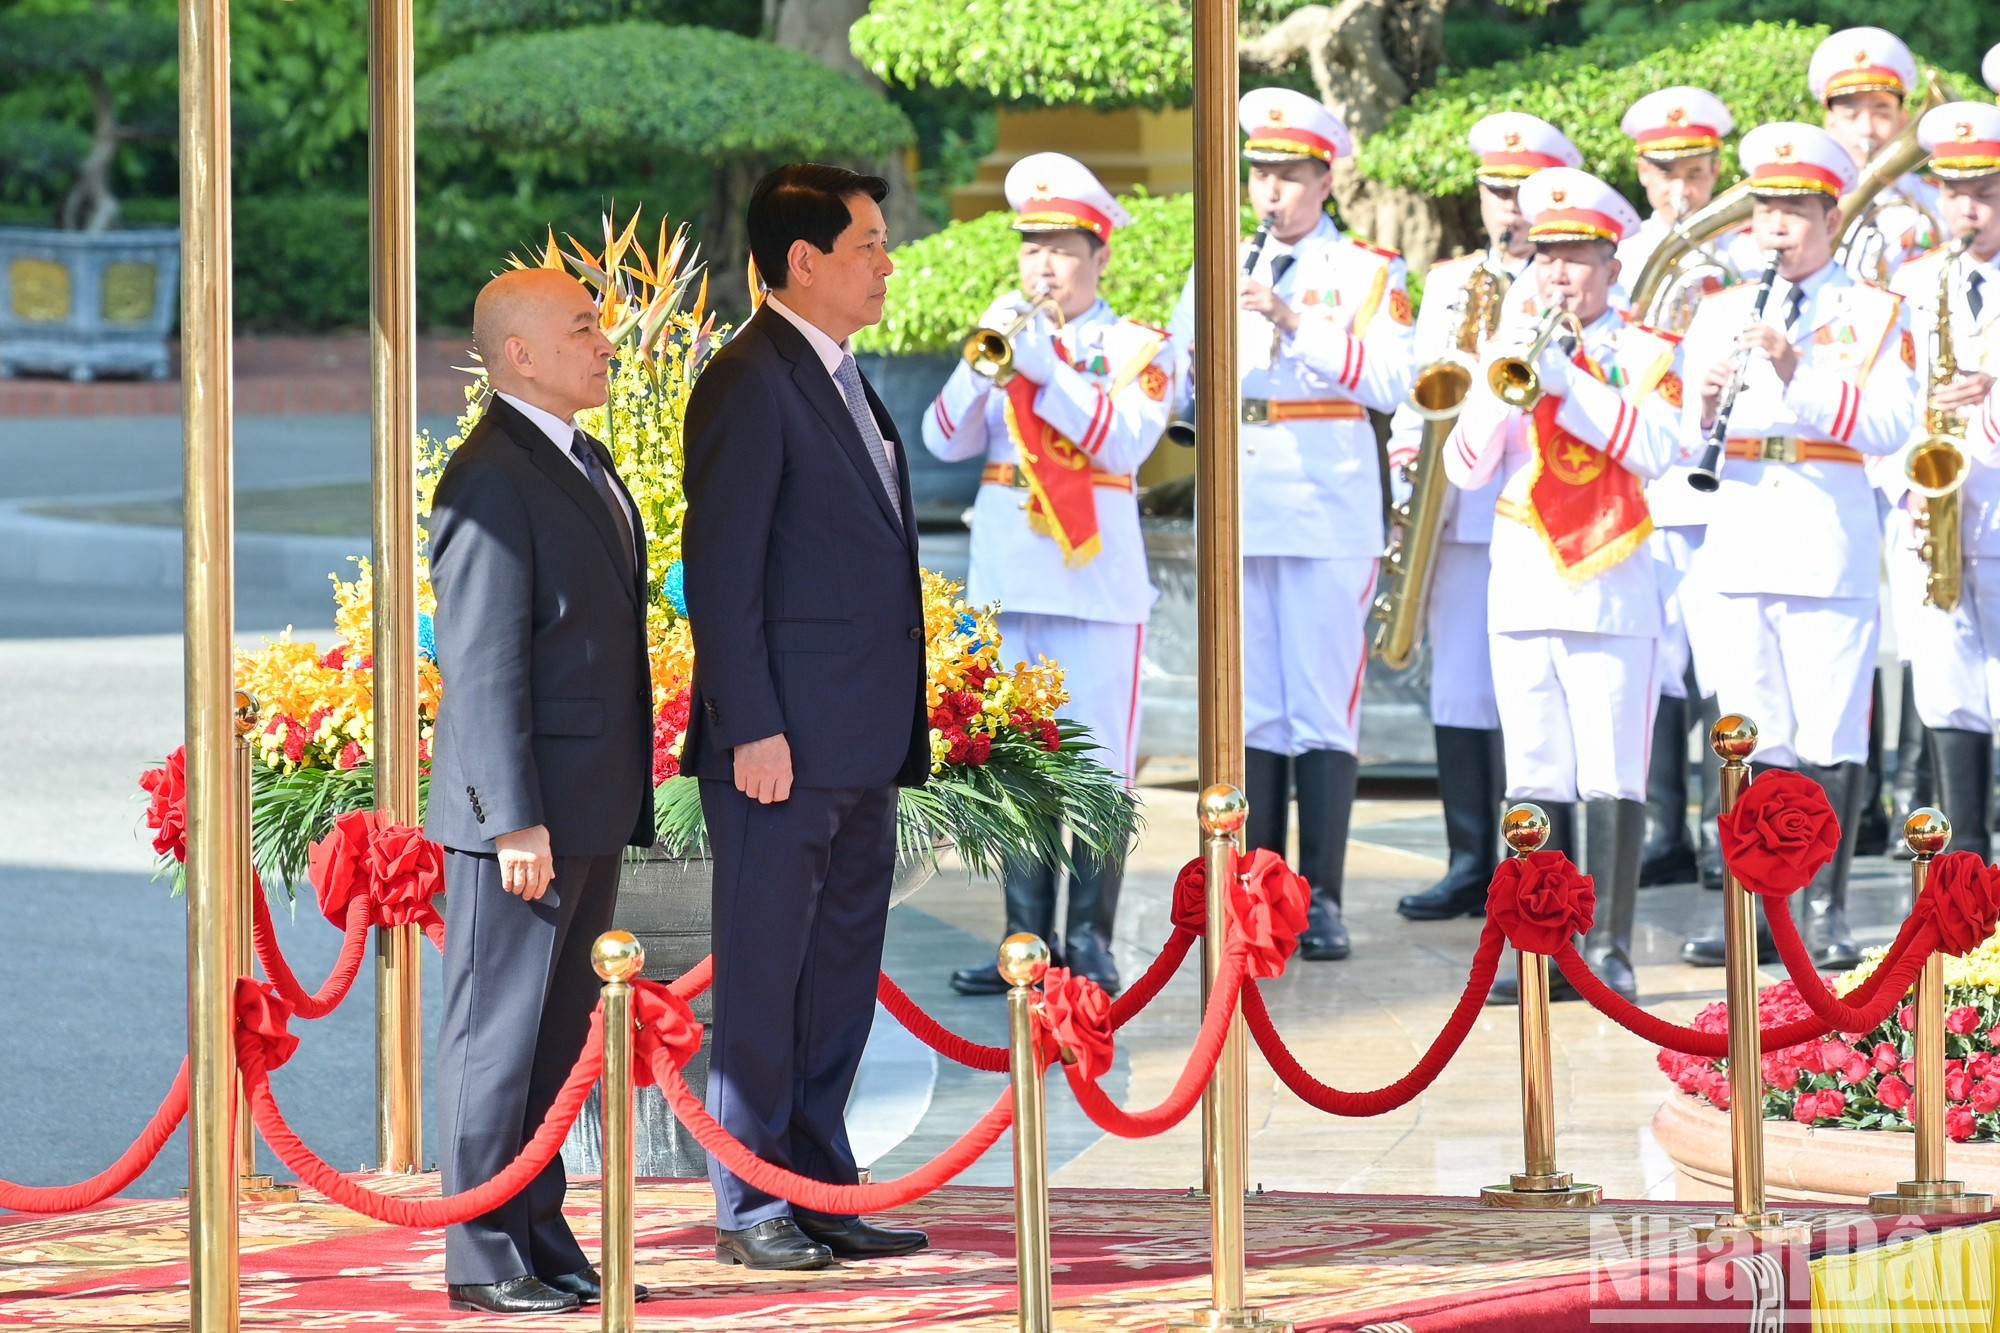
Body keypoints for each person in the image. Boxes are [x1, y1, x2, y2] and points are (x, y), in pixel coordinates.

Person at [680, 163, 933, 1271]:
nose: (885, 262)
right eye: (868, 244)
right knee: (764, 975)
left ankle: (820, 1186)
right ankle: (750, 1205)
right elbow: (721, 572)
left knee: (836, 974)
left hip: (861, 738)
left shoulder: (841, 376)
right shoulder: (747, 379)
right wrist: (751, 728)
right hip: (782, 743)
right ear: (803, 262)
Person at [426, 267, 655, 1315]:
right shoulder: (489, 475)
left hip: (588, 803)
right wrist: (513, 817)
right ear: (518, 353)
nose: (603, 341)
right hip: (522, 820)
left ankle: (536, 1227)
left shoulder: (576, 455)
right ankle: (481, 1252)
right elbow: (478, 667)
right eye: (581, 328)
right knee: (498, 1038)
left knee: (557, 1038)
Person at [1169, 87, 1417, 960]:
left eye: (1288, 174)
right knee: (1257, 711)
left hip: (1322, 499)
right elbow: (1174, 362)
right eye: (1261, 173)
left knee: (1320, 706)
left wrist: (1290, 322)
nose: (1270, 191)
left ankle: (1328, 897)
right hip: (1242, 497)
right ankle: (1260, 891)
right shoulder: (1219, 257)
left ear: (1324, 178)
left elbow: (1394, 380)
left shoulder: (1364, 271)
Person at [926, 153, 1175, 997]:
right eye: (1032, 246)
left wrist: (1046, 370)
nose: (1044, 264)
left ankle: (1092, 939)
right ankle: (1024, 939)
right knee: (1018, 758)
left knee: (1100, 762)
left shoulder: (1139, 345)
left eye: (1063, 247)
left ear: (1099, 255)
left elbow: (1126, 441)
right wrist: (981, 359)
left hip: (1097, 584)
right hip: (1010, 578)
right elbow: (941, 439)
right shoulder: (1005, 336)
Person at [1677, 123, 1919, 971]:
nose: (1776, 224)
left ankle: (1824, 905)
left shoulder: (1876, 310)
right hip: (1738, 536)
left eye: (1794, 208)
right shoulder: (1715, 307)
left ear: (1829, 212)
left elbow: (1893, 423)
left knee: (1827, 734)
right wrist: (1703, 408)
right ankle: (1751, 906)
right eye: (1765, 206)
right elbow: (1678, 438)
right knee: (1748, 734)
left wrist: (1795, 374)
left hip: (1825, 537)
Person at [1442, 168, 1683, 1003]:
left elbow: (1654, 448)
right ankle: (1540, 940)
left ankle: (1609, 947)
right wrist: (1502, 382)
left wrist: (1569, 377)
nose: (1558, 274)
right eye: (1546, 256)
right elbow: (1466, 468)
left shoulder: (1649, 353)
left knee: (1613, 771)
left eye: (1577, 257)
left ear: (1613, 266)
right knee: (1535, 770)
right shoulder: (1511, 346)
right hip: (1523, 585)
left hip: (1613, 587)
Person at [1393, 111, 1580, 923]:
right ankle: (1470, 857)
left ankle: (1534, 863)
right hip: (1455, 503)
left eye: (1523, 191)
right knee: (1462, 689)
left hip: (1541, 502)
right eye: (1496, 191)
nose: (1508, 207)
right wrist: (1407, 469)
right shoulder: (1449, 280)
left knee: (1533, 696)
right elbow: (1422, 384)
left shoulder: (1571, 279)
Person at [1615, 87, 1737, 893]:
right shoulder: (1618, 256)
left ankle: (1719, 830)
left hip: (1725, 484)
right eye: (1664, 174)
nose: (1680, 190)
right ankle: (1661, 827)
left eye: (1694, 172)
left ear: (1716, 168)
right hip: (1650, 483)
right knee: (1654, 657)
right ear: (1640, 170)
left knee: (1725, 663)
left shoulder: (1741, 256)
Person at [1878, 103, 2000, 863]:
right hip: (1935, 513)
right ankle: (1969, 871)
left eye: (1985, 191)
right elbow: (1879, 405)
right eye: (1953, 191)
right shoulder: (1913, 284)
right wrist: (1905, 483)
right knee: (1947, 687)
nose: (1967, 207)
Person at [1811, 26, 1941, 284]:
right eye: (1851, 115)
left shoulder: (1938, 202)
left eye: (1881, 113)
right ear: (1830, 122)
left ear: (1903, 120)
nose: (1867, 129)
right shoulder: (1809, 207)